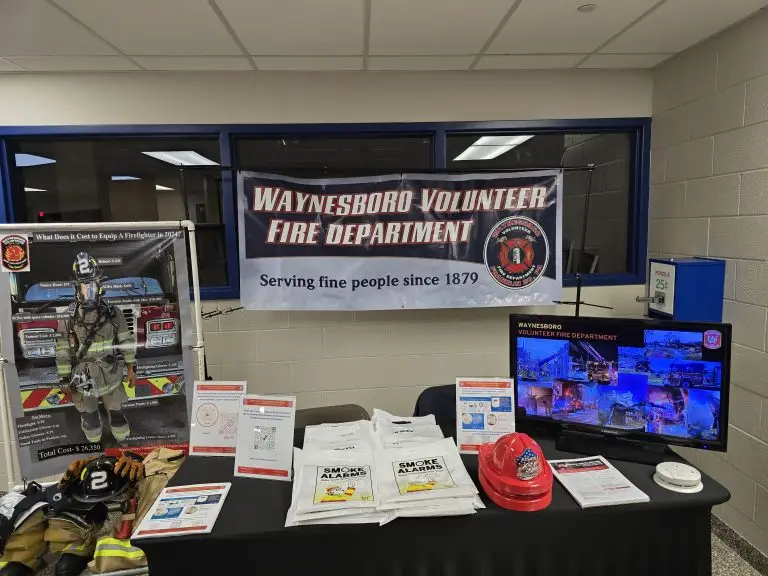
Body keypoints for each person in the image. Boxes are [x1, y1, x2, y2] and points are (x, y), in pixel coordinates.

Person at [55, 253, 136, 444]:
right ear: (77, 289)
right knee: (89, 418)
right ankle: (94, 445)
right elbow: (62, 349)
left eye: (91, 286)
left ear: (99, 286)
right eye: (84, 287)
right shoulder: (69, 317)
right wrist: (63, 378)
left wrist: (132, 367)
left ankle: (123, 442)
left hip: (111, 373)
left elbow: (126, 340)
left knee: (117, 414)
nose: (88, 292)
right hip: (83, 377)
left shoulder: (113, 312)